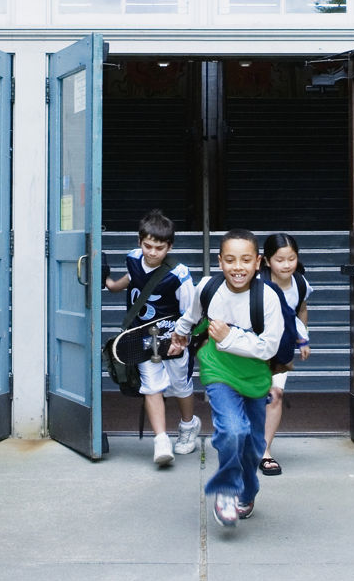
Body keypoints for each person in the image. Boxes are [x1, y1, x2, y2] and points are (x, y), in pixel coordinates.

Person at [170, 229, 284, 528]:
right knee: (233, 430)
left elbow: (269, 347)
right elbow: (192, 316)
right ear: (220, 262)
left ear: (258, 262)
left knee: (252, 445)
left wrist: (229, 337)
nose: (238, 267)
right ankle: (227, 488)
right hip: (217, 370)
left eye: (246, 260)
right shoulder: (208, 287)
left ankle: (246, 492)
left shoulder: (268, 297)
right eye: (230, 260)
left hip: (256, 378)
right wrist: (180, 334)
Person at [104, 209, 200, 466]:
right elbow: (134, 279)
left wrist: (182, 338)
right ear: (139, 242)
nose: (152, 252)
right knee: (151, 386)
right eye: (147, 245)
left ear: (169, 246)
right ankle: (161, 441)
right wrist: (112, 285)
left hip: (172, 341)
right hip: (141, 338)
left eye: (159, 247)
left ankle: (188, 426)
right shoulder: (133, 258)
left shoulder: (179, 275)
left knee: (180, 386)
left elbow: (191, 312)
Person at [257, 232, 312, 476]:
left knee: (276, 394)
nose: (286, 264)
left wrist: (303, 338)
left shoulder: (300, 283)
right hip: (254, 348)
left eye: (291, 258)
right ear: (267, 261)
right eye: (280, 260)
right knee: (253, 396)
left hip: (282, 348)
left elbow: (301, 309)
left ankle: (264, 451)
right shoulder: (256, 283)